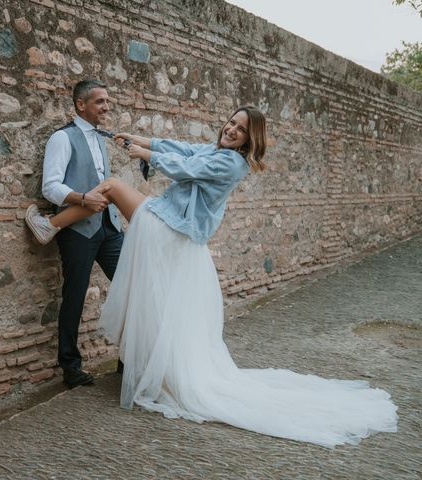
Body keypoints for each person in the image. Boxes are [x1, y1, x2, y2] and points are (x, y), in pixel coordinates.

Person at [26, 106, 398, 447]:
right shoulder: (217, 151)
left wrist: (148, 156)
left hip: (167, 226)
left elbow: (187, 169)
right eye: (231, 122)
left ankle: (50, 225)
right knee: (153, 298)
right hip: (173, 226)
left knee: (109, 186)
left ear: (251, 140)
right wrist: (140, 139)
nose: (231, 129)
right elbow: (185, 149)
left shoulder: (233, 165)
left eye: (240, 129)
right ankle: (148, 366)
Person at [27, 80, 124, 389]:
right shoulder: (62, 138)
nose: (106, 107)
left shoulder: (101, 137)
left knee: (132, 287)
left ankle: (129, 357)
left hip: (110, 228)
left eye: (107, 101)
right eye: (100, 102)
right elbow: (50, 187)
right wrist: (82, 199)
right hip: (79, 231)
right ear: (81, 105)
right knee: (75, 297)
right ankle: (71, 367)